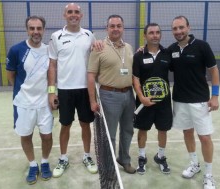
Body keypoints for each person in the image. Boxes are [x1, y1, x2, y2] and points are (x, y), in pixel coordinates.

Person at [168, 16, 220, 189]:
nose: (178, 31)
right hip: (180, 100)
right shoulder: (172, 49)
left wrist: (215, 96)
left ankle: (209, 175)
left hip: (200, 101)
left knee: (204, 137)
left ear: (188, 27)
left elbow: (214, 71)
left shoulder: (202, 46)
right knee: (187, 133)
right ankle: (194, 164)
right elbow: (158, 59)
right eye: (175, 29)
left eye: (181, 27)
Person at [47, 3, 98, 178]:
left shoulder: (89, 35)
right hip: (65, 90)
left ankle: (87, 156)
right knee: (65, 125)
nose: (73, 15)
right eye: (70, 12)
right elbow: (52, 65)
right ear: (64, 15)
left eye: (76, 12)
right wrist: (52, 91)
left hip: (85, 89)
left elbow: (97, 57)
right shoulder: (56, 36)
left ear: (81, 15)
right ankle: (63, 158)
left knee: (85, 124)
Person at [6, 16, 53, 184]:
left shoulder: (49, 50)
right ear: (27, 30)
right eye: (32, 28)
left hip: (44, 103)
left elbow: (52, 76)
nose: (35, 32)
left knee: (47, 136)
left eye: (39, 28)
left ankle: (45, 162)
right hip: (23, 103)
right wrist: (23, 91)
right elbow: (11, 75)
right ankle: (33, 165)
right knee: (26, 136)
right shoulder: (16, 50)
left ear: (43, 30)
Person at [87, 14, 136, 174]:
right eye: (112, 26)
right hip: (109, 96)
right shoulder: (99, 47)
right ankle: (108, 165)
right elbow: (91, 75)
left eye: (119, 26)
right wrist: (92, 100)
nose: (116, 29)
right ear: (106, 28)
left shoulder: (128, 47)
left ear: (123, 28)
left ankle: (124, 159)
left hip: (129, 95)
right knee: (110, 134)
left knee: (128, 130)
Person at [132, 23, 172, 175]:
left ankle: (160, 156)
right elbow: (135, 78)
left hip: (164, 102)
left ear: (160, 35)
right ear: (145, 36)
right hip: (144, 101)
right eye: (151, 33)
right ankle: (142, 157)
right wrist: (142, 98)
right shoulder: (139, 55)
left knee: (163, 129)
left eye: (157, 32)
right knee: (143, 129)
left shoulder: (167, 53)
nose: (155, 35)